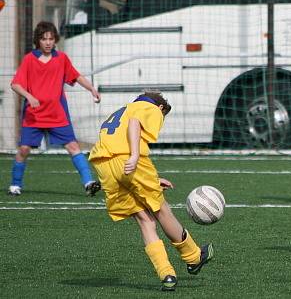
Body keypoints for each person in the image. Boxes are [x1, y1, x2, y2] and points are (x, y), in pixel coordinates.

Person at [88, 92, 214, 291]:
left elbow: (113, 153)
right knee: (161, 210)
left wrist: (150, 179)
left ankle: (167, 275)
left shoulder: (120, 112)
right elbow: (135, 124)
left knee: (145, 221)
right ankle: (194, 257)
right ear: (161, 108)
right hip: (129, 161)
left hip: (104, 165)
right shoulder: (151, 107)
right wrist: (135, 156)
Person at [8, 21, 101, 196]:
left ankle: (88, 182)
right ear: (38, 41)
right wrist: (29, 96)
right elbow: (15, 85)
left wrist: (91, 89)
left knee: (73, 147)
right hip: (33, 116)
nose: (48, 42)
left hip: (57, 114)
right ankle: (15, 184)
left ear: (55, 40)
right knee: (24, 150)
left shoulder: (62, 59)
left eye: (51, 39)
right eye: (44, 39)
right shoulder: (29, 59)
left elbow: (76, 76)